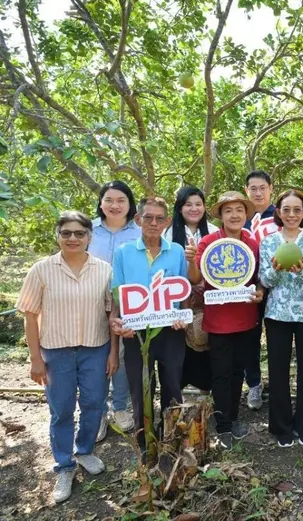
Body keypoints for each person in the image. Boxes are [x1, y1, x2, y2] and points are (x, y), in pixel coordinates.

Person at [16, 211, 117, 503]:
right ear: (58, 235)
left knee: (93, 403)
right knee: (61, 409)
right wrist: (35, 358)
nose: (73, 238)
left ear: (89, 237)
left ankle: (84, 451)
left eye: (79, 233)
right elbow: (30, 316)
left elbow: (112, 315)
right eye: (66, 233)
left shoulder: (104, 270)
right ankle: (64, 464)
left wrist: (113, 352)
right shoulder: (42, 270)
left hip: (95, 349)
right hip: (55, 352)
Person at [109, 197, 189, 453]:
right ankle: (146, 445)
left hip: (170, 331)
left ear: (167, 222)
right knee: (140, 388)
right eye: (148, 217)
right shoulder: (123, 252)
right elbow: (117, 294)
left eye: (159, 218)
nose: (153, 223)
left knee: (173, 386)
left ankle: (172, 441)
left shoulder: (176, 250)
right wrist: (116, 321)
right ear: (137, 220)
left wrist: (184, 318)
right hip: (136, 333)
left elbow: (184, 291)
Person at [187, 191, 264, 450]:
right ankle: (222, 425)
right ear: (220, 215)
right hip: (218, 319)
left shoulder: (252, 242)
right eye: (228, 210)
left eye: (239, 210)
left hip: (246, 317)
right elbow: (196, 279)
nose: (234, 215)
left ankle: (234, 418)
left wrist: (260, 292)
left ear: (246, 214)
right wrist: (190, 261)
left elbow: (258, 279)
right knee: (220, 373)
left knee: (237, 372)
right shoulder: (209, 241)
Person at [259, 190, 303, 447]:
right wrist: (275, 271)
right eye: (286, 209)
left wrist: (302, 271)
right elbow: (264, 281)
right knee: (277, 371)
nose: (291, 215)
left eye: (297, 210)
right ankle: (281, 426)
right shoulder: (268, 242)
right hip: (277, 314)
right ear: (278, 212)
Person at [88, 180, 140, 440]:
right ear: (101, 203)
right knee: (95, 356)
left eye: (121, 200)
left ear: (130, 205)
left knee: (121, 355)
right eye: (109, 200)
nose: (115, 205)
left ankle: (119, 407)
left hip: (126, 304)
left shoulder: (139, 232)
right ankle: (96, 412)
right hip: (89, 303)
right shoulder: (88, 230)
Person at [165, 187, 219, 392]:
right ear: (179, 208)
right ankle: (177, 392)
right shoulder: (168, 234)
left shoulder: (214, 232)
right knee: (179, 344)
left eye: (198, 204)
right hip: (178, 300)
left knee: (205, 343)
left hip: (208, 299)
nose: (194, 209)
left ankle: (207, 389)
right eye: (188, 204)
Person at [243, 170, 276, 410]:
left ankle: (278, 384)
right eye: (252, 188)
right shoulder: (239, 217)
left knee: (276, 337)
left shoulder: (281, 215)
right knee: (249, 338)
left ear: (271, 188)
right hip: (245, 289)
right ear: (246, 191)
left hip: (275, 287)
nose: (257, 192)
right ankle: (253, 383)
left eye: (262, 188)